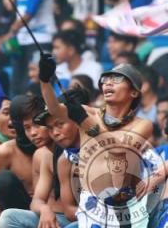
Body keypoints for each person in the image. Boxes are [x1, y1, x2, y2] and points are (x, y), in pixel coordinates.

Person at [39, 55, 154, 227]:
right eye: (105, 79)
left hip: (126, 208)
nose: (108, 83)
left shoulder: (143, 125)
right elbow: (54, 109)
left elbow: (119, 150)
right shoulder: (90, 113)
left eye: (116, 79)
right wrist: (45, 80)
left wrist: (86, 122)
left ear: (134, 92)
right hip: (91, 205)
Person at [0, 93, 82, 228]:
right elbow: (37, 201)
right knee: (8, 218)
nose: (33, 133)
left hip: (81, 220)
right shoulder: (43, 155)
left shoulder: (82, 148)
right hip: (55, 220)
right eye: (27, 128)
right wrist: (45, 210)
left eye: (37, 125)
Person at [1, 0, 56, 96]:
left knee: (38, 85)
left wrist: (10, 32)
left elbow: (29, 12)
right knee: (17, 85)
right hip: (22, 39)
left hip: (40, 39)